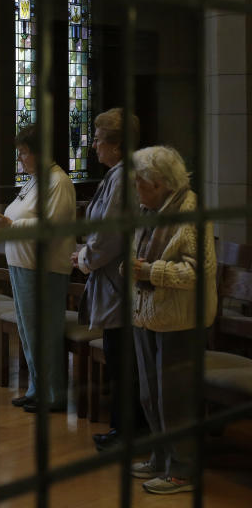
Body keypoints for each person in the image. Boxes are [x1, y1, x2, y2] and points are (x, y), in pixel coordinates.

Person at [127, 146, 216, 495]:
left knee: (174, 398)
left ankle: (182, 471)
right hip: (148, 314)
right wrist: (133, 268)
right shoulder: (153, 209)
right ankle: (161, 456)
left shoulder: (190, 212)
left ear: (160, 183)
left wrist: (150, 271)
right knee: (151, 395)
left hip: (180, 320)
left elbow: (200, 270)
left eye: (140, 183)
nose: (135, 189)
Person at [71, 108, 148, 451]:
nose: (94, 147)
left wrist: (86, 259)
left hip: (121, 285)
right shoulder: (117, 173)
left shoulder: (124, 177)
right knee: (120, 360)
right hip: (113, 281)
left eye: (99, 140)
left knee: (125, 362)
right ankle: (123, 428)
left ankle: (128, 432)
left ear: (117, 146)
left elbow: (112, 231)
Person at [0, 123, 76, 413]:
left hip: (44, 270)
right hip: (22, 262)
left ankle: (52, 393)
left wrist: (11, 224)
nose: (21, 160)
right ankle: (36, 388)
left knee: (44, 331)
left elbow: (53, 227)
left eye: (24, 153)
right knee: (29, 332)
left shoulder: (59, 182)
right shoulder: (34, 180)